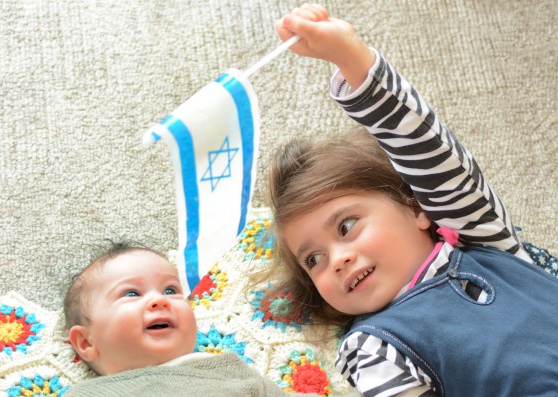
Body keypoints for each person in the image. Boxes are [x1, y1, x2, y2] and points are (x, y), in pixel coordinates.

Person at [267, 4, 558, 396]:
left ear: (416, 207)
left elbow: (427, 148)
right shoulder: (375, 348)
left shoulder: (482, 238)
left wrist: (350, 56)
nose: (337, 260)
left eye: (347, 226)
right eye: (313, 260)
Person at [63, 241, 315, 397]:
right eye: (131, 293)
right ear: (86, 342)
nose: (160, 300)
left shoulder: (230, 371)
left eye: (170, 290)